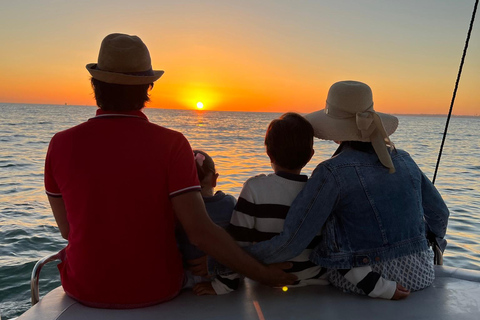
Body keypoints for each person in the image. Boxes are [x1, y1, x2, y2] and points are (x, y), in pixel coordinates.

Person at [44, 33, 294, 308]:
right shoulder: (172, 144)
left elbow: (68, 231)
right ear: (148, 87)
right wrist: (264, 274)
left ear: (95, 84)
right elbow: (199, 231)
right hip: (156, 288)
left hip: (84, 288)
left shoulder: (60, 144)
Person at [245, 81, 449, 297]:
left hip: (366, 277)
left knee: (330, 217)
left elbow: (292, 242)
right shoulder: (405, 159)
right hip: (422, 273)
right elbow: (440, 214)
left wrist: (236, 260)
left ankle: (371, 282)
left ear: (335, 128)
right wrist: (417, 246)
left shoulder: (330, 172)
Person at [197, 113, 404, 299]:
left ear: (268, 152)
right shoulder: (319, 191)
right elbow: (338, 244)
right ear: (311, 155)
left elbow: (238, 243)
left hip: (269, 284)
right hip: (318, 285)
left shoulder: (254, 188)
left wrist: (224, 284)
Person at [177, 150, 236, 287]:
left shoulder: (178, 209)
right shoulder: (229, 204)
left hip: (188, 275)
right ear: (215, 180)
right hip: (222, 274)